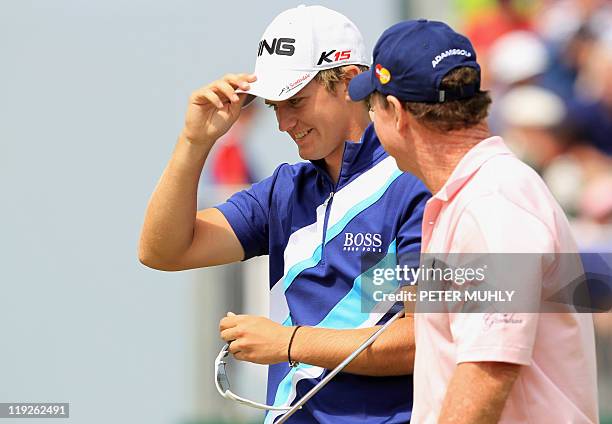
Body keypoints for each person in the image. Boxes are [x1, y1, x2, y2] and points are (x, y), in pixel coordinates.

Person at [139, 5, 430, 423]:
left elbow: (425, 339)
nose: (284, 123)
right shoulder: (284, 190)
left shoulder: (415, 182)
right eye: (276, 106)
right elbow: (161, 251)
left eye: (295, 101)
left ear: (349, 81)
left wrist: (289, 343)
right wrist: (193, 142)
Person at [349, 19, 598, 423]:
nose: (370, 121)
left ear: (395, 112)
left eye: (371, 106)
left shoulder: (489, 202)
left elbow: (487, 372)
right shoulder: (480, 195)